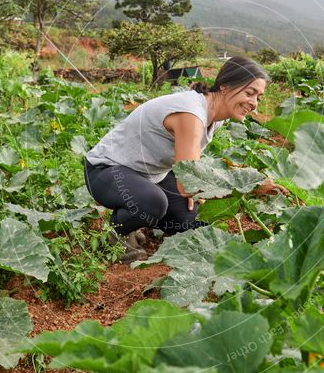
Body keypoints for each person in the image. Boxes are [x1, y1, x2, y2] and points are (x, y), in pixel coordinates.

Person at [83, 56, 284, 263]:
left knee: (193, 221)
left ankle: (134, 219)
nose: (254, 103)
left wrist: (199, 192)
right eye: (249, 93)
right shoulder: (191, 113)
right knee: (151, 203)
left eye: (259, 97)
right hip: (106, 170)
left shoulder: (215, 117)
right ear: (225, 86)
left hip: (151, 176)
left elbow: (190, 168)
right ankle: (117, 232)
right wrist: (251, 185)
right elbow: (189, 183)